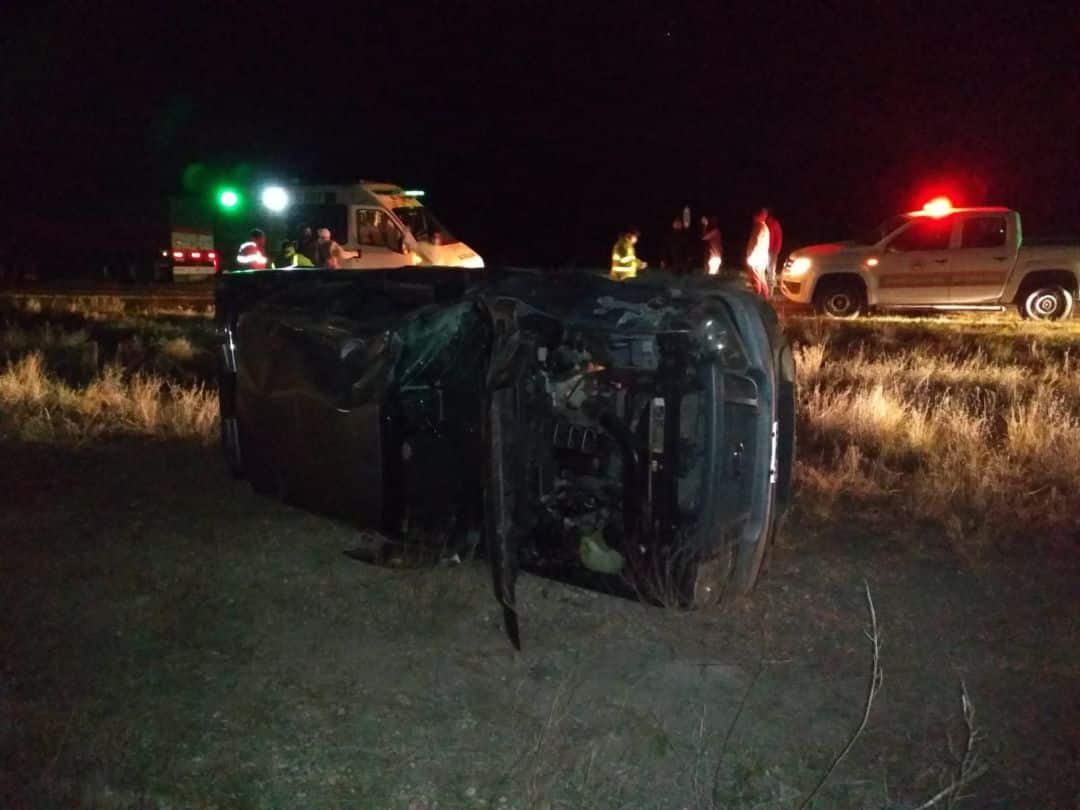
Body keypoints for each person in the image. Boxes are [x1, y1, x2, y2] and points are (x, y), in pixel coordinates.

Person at [745, 210, 771, 297]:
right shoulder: (765, 227)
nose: (753, 217)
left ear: (761, 216)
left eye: (756, 215)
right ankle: (765, 300)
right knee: (762, 279)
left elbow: (756, 241)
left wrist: (751, 255)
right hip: (762, 258)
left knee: (756, 280)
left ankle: (757, 301)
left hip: (755, 258)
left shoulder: (759, 226)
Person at [764, 207, 783, 294]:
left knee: (771, 269)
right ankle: (766, 289)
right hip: (764, 250)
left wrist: (776, 250)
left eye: (766, 213)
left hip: (772, 251)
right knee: (766, 269)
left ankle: (770, 290)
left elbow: (779, 238)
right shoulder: (764, 223)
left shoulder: (774, 223)